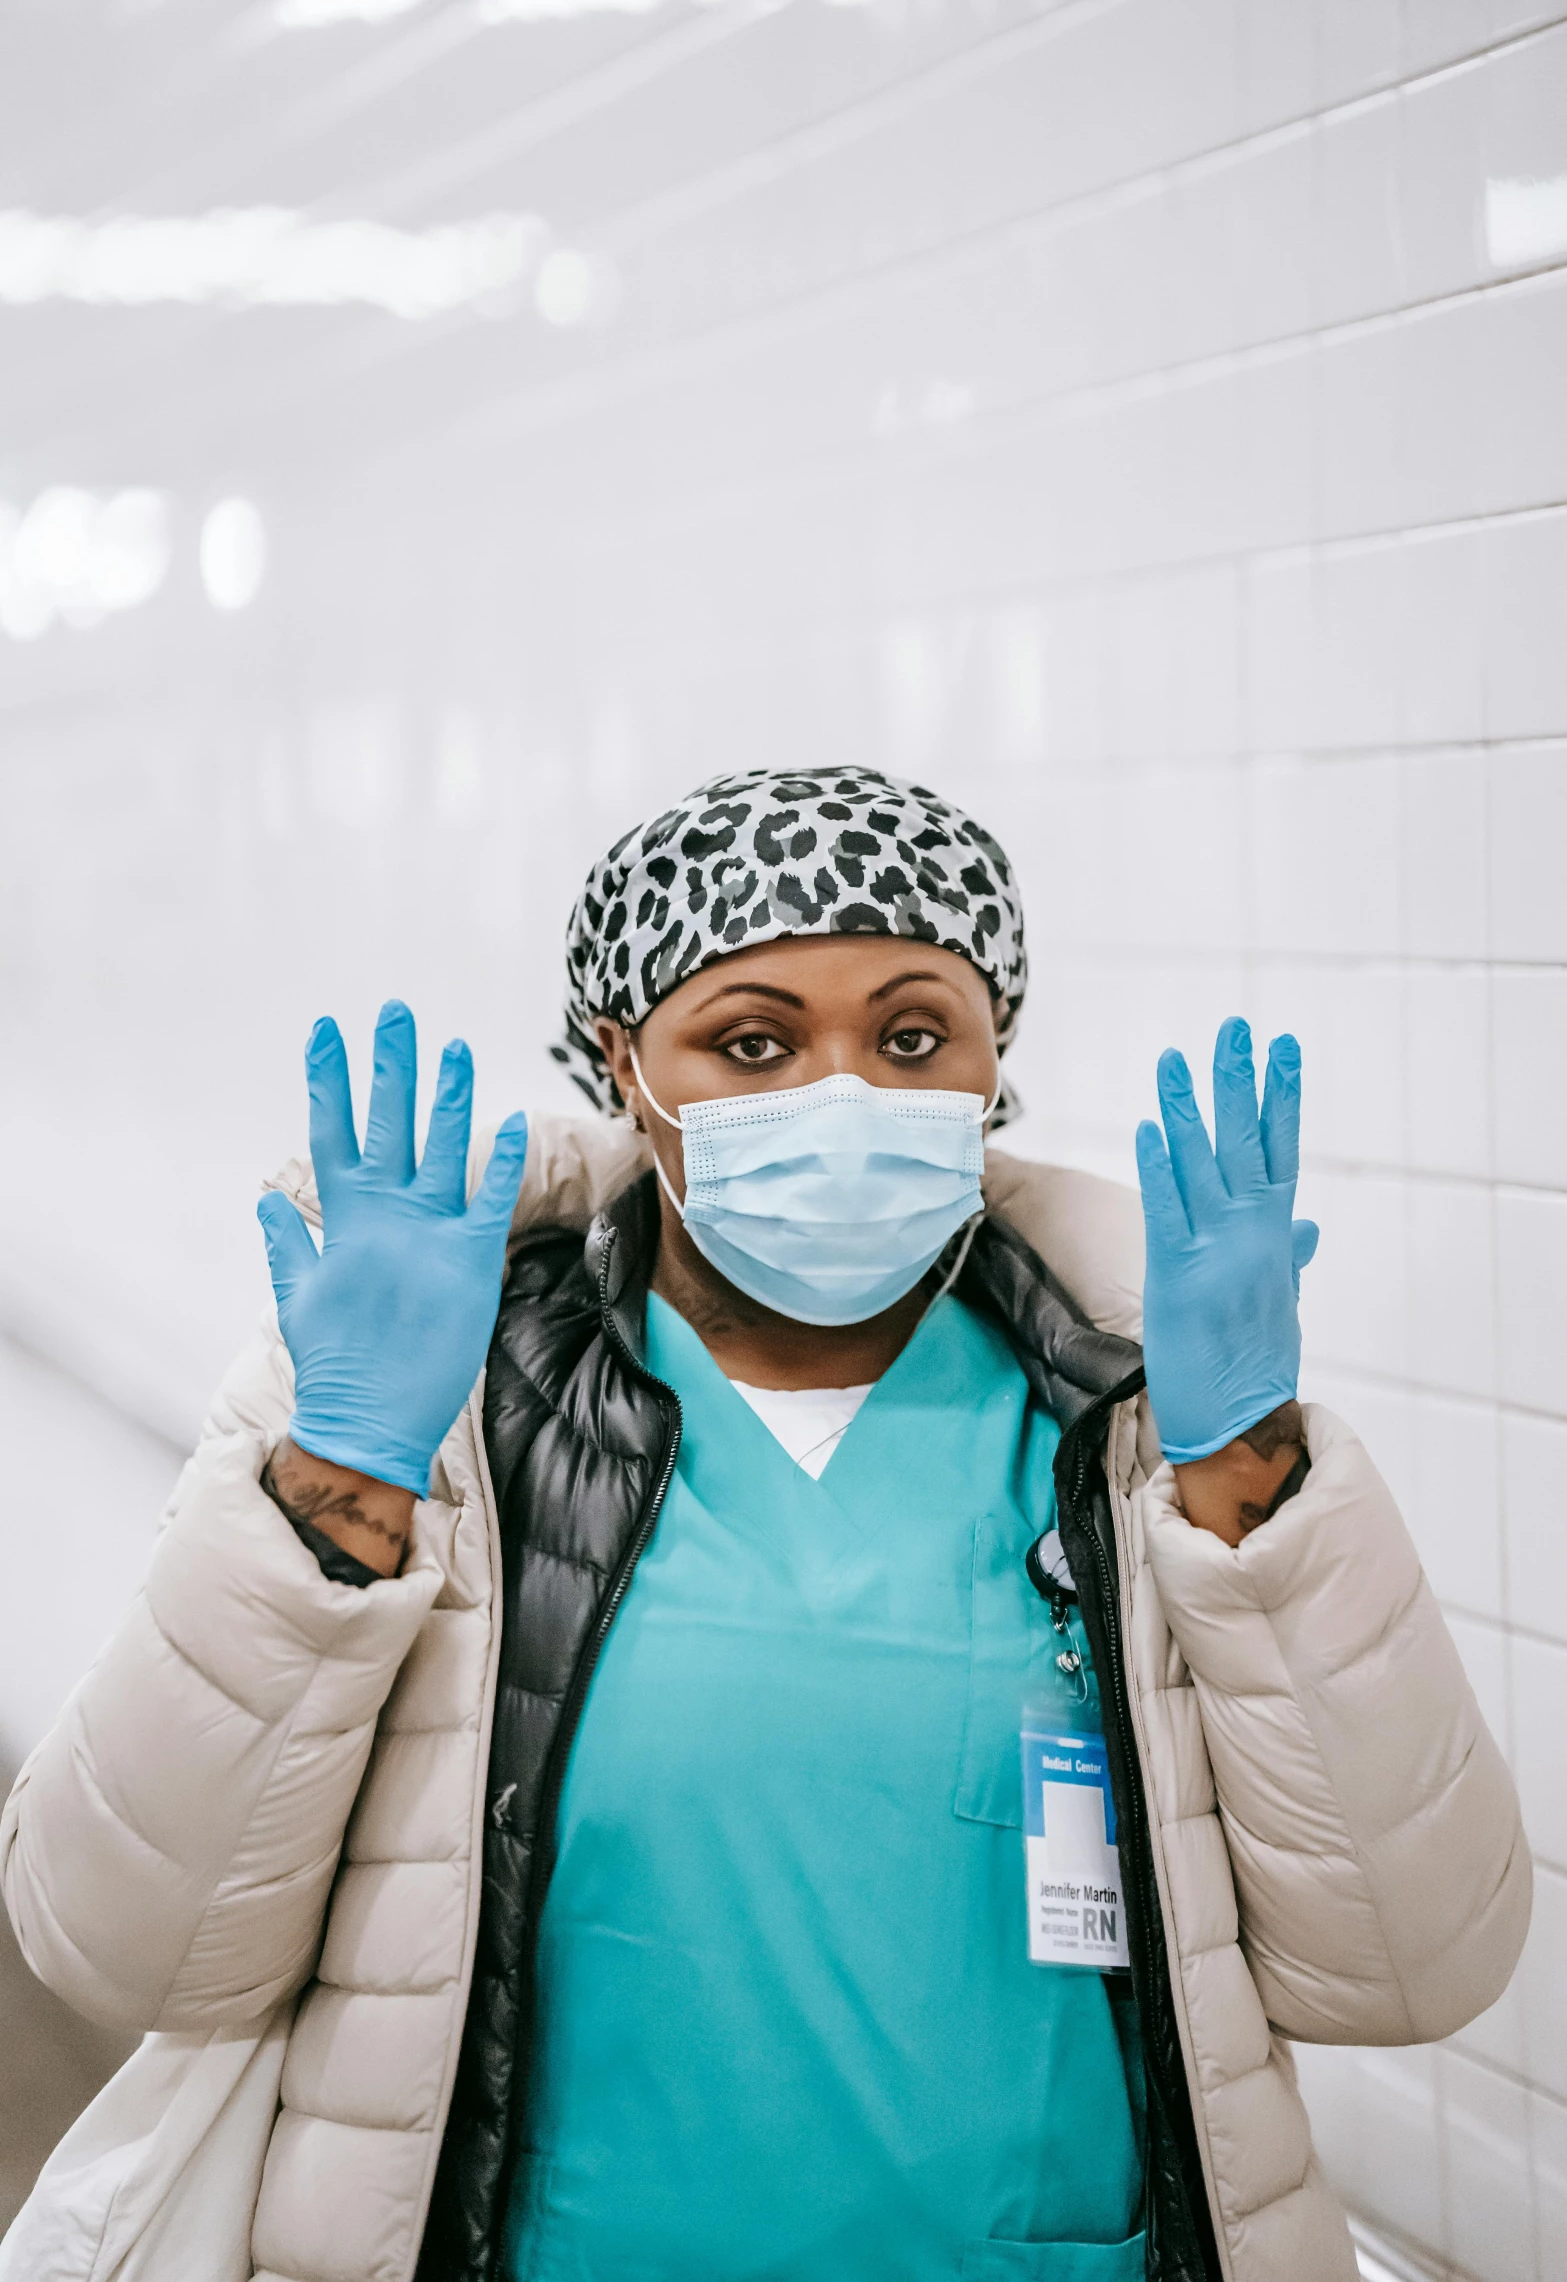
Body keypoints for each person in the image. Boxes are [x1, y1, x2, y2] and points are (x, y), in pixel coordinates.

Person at [0, 766, 1529, 2282]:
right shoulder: (449, 1408)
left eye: (914, 1034)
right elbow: (127, 1939)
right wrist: (336, 1488)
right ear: (624, 1064)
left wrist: (1249, 1479)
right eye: (753, 1041)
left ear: (995, 1065)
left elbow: (1411, 1960)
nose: (844, 1093)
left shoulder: (1132, 1420)